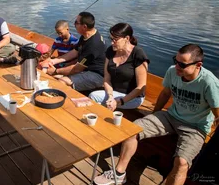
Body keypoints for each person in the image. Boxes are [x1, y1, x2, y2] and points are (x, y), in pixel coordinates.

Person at [94, 44, 219, 185]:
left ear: (198, 65)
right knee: (132, 130)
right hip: (171, 116)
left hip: (196, 127)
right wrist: (154, 115)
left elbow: (217, 112)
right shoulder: (173, 71)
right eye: (175, 61)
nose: (177, 66)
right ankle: (119, 174)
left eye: (182, 64)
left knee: (182, 162)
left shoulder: (209, 82)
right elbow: (165, 93)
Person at [89, 23, 149, 110]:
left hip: (133, 97)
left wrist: (119, 101)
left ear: (127, 38)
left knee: (96, 100)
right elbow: (107, 79)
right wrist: (110, 96)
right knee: (94, 97)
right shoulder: (110, 51)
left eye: (115, 39)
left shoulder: (138, 54)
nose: (112, 42)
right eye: (111, 39)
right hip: (113, 93)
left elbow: (140, 87)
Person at [45, 11, 106, 91]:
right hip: (85, 68)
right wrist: (54, 61)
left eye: (76, 22)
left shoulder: (93, 44)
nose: (74, 24)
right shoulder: (86, 36)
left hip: (96, 74)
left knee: (62, 81)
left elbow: (77, 69)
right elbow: (74, 52)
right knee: (55, 77)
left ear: (84, 26)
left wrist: (55, 71)